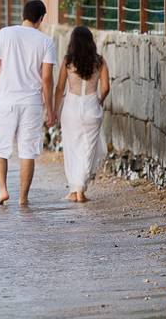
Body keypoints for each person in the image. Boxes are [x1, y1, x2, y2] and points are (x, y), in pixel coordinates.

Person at [0, 0, 57, 206]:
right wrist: (50, 109)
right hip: (31, 103)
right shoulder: (46, 41)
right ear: (41, 19)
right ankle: (23, 199)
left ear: (23, 15)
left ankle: (3, 190)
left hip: (5, 101)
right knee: (28, 151)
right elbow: (47, 78)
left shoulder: (4, 34)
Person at [54, 25, 110, 203]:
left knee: (72, 149)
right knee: (88, 149)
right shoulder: (99, 62)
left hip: (71, 107)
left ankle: (76, 189)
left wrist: (54, 111)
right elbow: (106, 87)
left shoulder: (68, 61)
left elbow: (60, 88)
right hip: (91, 105)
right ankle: (79, 190)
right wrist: (100, 101)